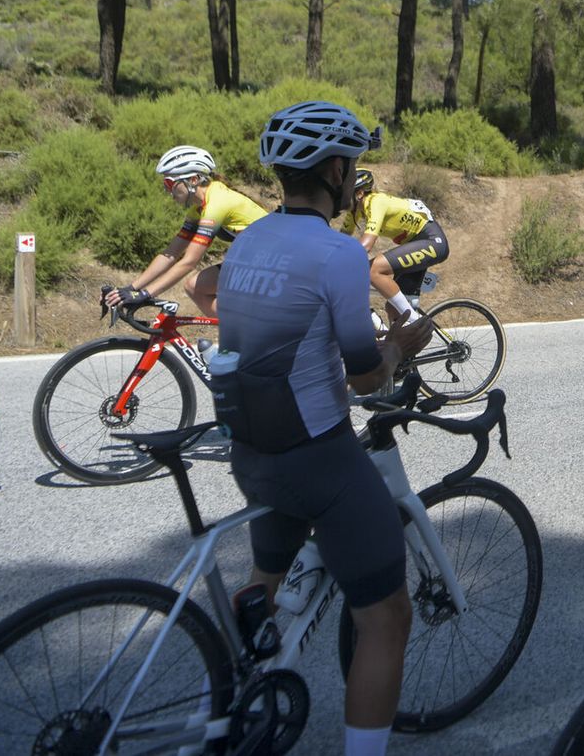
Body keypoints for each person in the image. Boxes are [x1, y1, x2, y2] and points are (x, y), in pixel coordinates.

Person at [213, 101, 433, 756]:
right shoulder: (337, 253)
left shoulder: (248, 240)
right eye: (354, 165)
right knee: (387, 615)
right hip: (317, 460)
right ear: (336, 169)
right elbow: (367, 378)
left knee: (264, 582)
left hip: (252, 452)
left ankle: (232, 704)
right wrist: (403, 344)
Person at [104, 145, 268, 318]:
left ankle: (243, 334)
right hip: (258, 259)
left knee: (197, 286)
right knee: (195, 287)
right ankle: (239, 334)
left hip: (277, 260)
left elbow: (189, 262)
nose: (168, 191)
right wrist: (131, 288)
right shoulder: (198, 210)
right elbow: (170, 254)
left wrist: (146, 294)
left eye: (170, 184)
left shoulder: (217, 204)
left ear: (194, 179)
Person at [340, 169, 449, 326]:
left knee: (373, 270)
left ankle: (414, 320)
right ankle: (398, 346)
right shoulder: (354, 212)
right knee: (392, 308)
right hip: (414, 244)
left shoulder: (376, 201)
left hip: (432, 241)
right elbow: (339, 240)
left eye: (345, 192)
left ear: (359, 193)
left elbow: (367, 244)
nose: (342, 197)